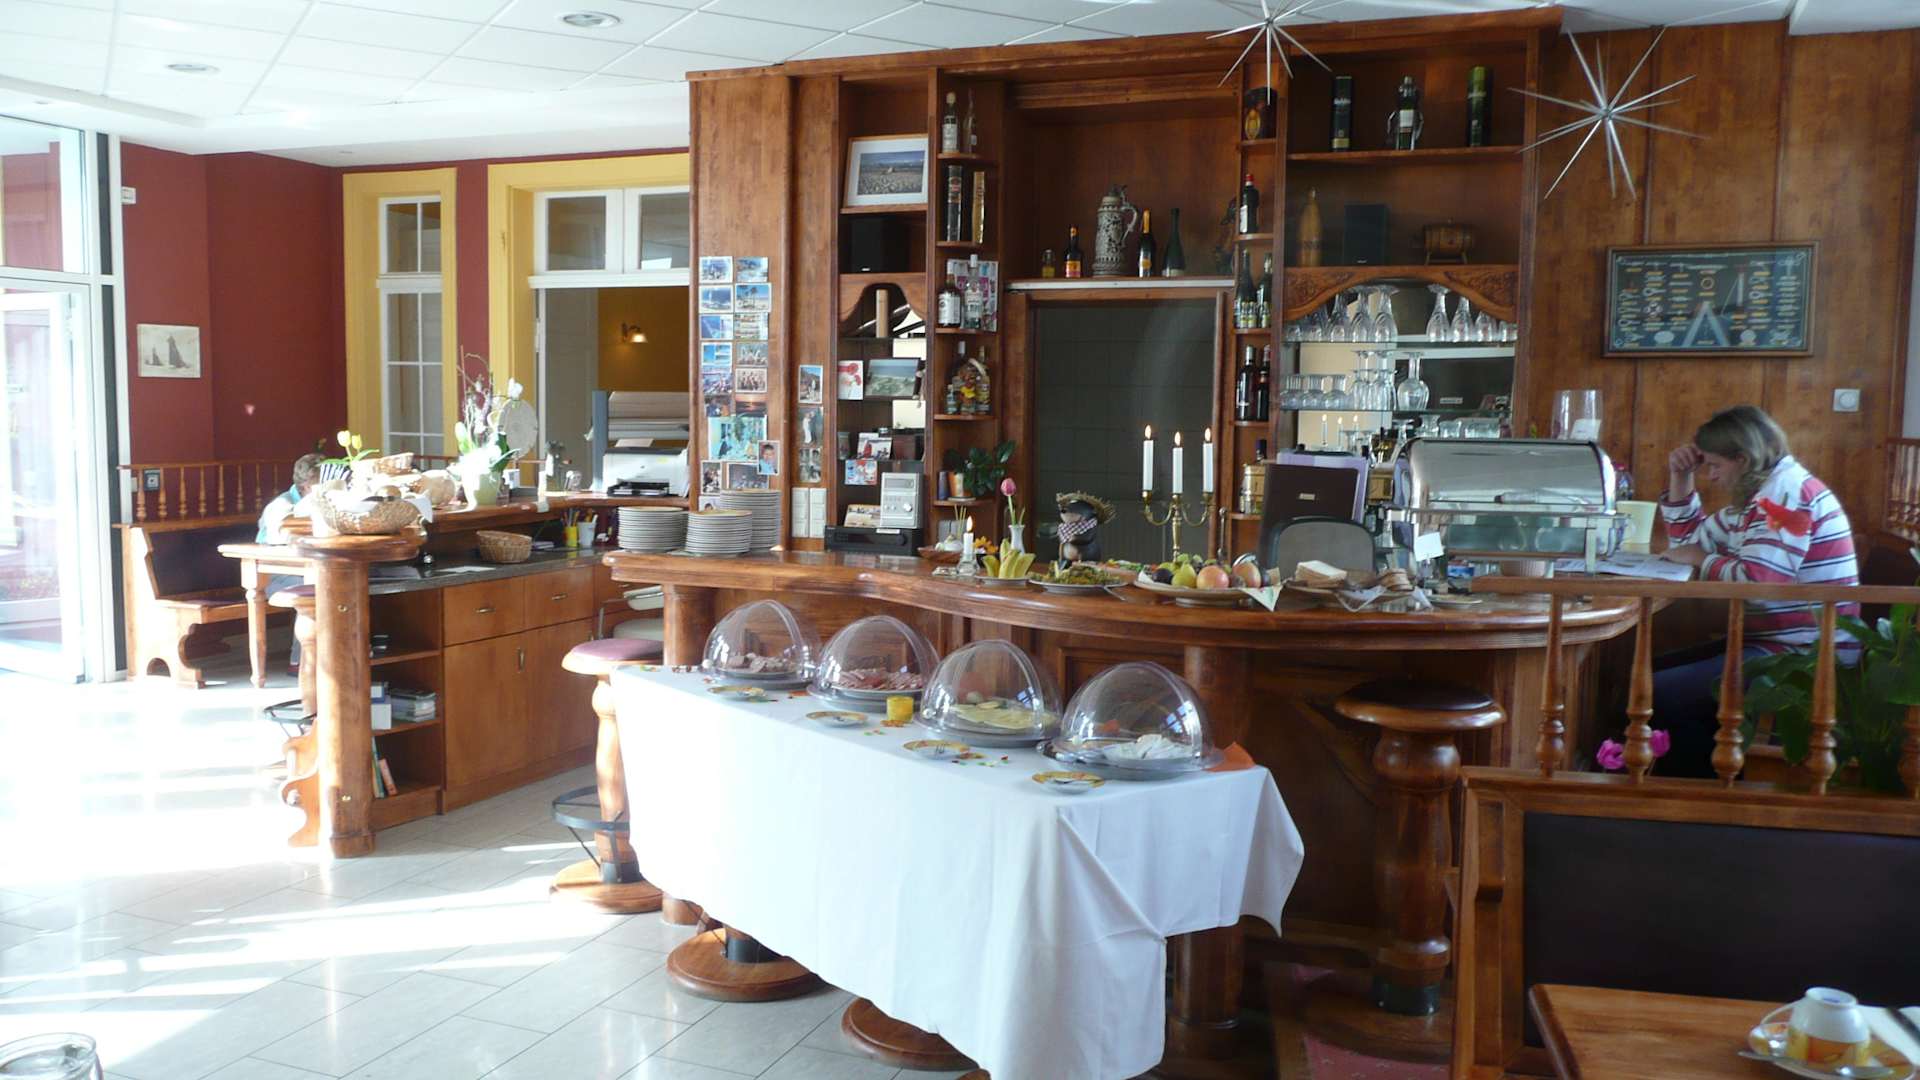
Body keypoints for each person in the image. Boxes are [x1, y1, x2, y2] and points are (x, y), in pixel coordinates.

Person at [1652, 405, 1859, 776]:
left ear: (1742, 460)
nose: (1711, 476)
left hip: (1805, 657)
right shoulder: (1759, 498)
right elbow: (1687, 544)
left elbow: (1760, 585)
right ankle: (1707, 782)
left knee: (1656, 692)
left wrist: (1702, 558)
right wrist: (1680, 477)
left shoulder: (1785, 494)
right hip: (1775, 644)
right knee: (1652, 674)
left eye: (1715, 465)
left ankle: (1699, 795)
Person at [258, 453, 326, 674]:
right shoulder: (282, 506)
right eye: (322, 483)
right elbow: (284, 538)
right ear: (307, 485)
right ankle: (301, 661)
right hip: (273, 576)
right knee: (316, 590)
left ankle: (334, 653)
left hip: (308, 570)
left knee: (338, 584)